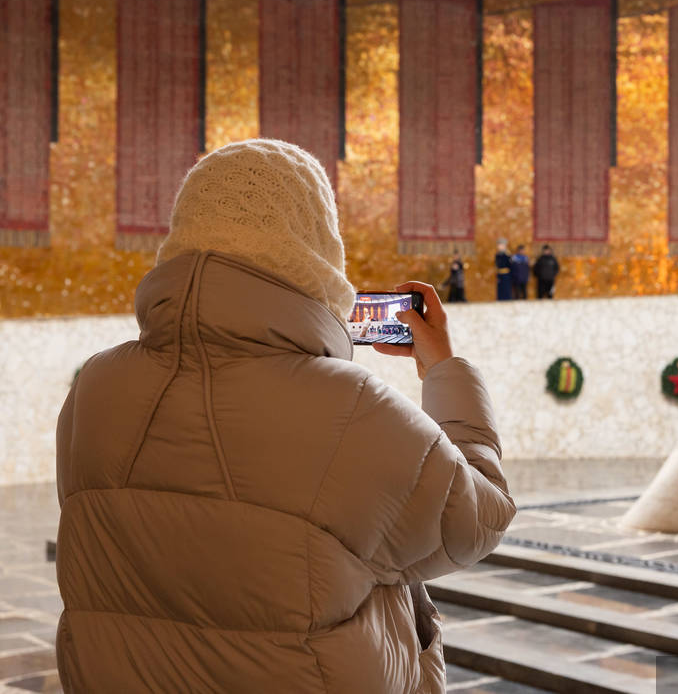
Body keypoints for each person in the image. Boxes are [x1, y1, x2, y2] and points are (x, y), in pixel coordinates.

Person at [53, 140, 516, 691]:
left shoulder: (94, 391)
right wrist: (444, 369)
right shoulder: (354, 411)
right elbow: (479, 518)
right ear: (315, 248)